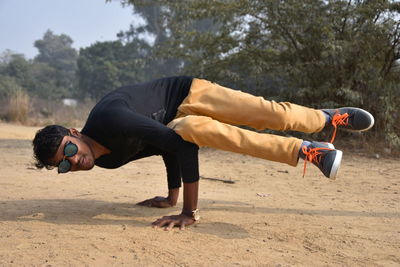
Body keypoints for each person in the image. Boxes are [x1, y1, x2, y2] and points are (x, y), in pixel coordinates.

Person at [32, 76, 374, 230]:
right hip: (178, 125)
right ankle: (306, 151)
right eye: (63, 166)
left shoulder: (109, 119)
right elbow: (160, 147)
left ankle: (326, 118)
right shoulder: (105, 160)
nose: (74, 162)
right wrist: (171, 197)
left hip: (190, 94)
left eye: (69, 150)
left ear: (74, 133)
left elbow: (174, 146)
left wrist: (189, 212)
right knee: (203, 132)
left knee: (270, 114)